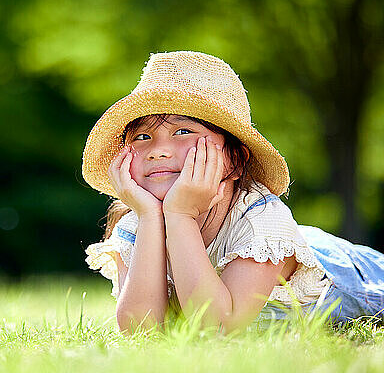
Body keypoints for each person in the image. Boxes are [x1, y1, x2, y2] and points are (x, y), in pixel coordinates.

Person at [81, 50, 384, 335]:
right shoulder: (137, 223)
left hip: (347, 272)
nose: (158, 151)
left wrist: (181, 215)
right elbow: (140, 331)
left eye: (183, 131)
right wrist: (150, 218)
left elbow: (216, 329)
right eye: (143, 136)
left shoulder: (261, 218)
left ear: (235, 160)